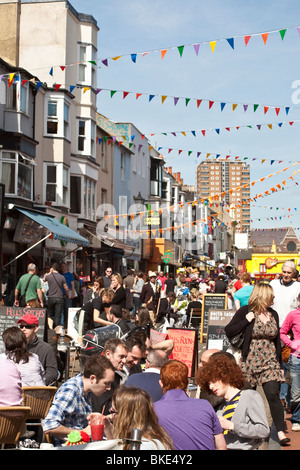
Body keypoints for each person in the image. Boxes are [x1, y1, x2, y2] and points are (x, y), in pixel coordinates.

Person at [225, 282, 290, 446]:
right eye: (271, 296)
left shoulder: (273, 314)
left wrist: (280, 365)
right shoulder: (246, 311)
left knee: (273, 394)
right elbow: (229, 330)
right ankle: (245, 428)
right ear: (263, 296)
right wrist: (246, 321)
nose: (274, 298)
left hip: (270, 361)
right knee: (247, 397)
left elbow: (276, 342)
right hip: (251, 360)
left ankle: (280, 431)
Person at [196, 353, 270, 450]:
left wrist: (232, 426)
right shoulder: (221, 408)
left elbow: (263, 430)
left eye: (213, 381)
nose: (211, 387)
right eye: (208, 384)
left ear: (225, 375)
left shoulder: (249, 396)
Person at [42, 355, 115, 446]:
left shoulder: (86, 391)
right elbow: (49, 425)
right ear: (92, 378)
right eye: (106, 383)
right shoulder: (71, 390)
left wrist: (106, 418)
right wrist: (81, 432)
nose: (109, 388)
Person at [154, 360, 226, 450]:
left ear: (161, 383)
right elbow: (221, 446)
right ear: (187, 383)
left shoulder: (153, 409)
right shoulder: (204, 406)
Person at [104, 387, 174, 450]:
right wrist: (110, 434)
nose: (111, 416)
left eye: (113, 411)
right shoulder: (151, 435)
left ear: (125, 416)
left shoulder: (142, 445)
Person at [17, 313, 58, 386]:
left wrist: (38, 385)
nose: (23, 329)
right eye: (21, 326)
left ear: (35, 329)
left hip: (37, 391)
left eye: (28, 327)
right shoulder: (16, 347)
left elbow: (52, 373)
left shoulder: (46, 348)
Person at [91, 338, 128, 415]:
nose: (124, 361)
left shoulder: (115, 376)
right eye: (121, 357)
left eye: (125, 357)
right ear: (108, 354)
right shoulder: (100, 374)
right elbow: (102, 409)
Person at [280, 293, 300, 431]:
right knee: (296, 391)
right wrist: (292, 344)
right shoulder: (293, 315)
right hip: (296, 358)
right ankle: (296, 419)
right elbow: (282, 332)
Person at [269, 261, 300, 327]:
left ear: (293, 273)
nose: (286, 275)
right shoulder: (273, 284)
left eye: (289, 273)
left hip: (291, 325)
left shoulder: (298, 286)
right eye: (284, 272)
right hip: (273, 324)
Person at [44, 263, 69, 329]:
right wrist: (67, 294)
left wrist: (49, 272)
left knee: (50, 314)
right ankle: (56, 330)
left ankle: (50, 328)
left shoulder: (49, 276)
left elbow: (44, 279)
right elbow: (66, 287)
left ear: (52, 268)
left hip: (50, 297)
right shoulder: (62, 277)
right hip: (59, 297)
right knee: (58, 315)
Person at [60, 262, 75, 329]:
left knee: (68, 311)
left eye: (64, 266)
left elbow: (72, 284)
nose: (63, 268)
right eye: (61, 266)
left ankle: (69, 326)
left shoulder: (70, 275)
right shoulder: (59, 275)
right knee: (61, 311)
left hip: (68, 295)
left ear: (66, 267)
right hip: (60, 295)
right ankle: (62, 326)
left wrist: (73, 293)